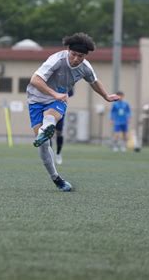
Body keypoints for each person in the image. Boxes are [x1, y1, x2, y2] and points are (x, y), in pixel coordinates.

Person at [26, 32, 119, 192]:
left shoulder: (85, 67)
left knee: (51, 116)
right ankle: (56, 177)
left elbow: (94, 81)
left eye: (81, 56)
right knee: (43, 145)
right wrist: (54, 93)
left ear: (85, 56)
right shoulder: (56, 60)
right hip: (36, 98)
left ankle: (46, 130)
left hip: (59, 98)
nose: (76, 58)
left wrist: (106, 96)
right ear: (68, 50)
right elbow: (35, 79)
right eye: (74, 54)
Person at [52, 89, 73, 165]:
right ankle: (49, 154)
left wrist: (63, 95)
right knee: (48, 132)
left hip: (60, 108)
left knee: (59, 132)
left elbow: (70, 92)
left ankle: (58, 153)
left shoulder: (66, 82)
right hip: (48, 107)